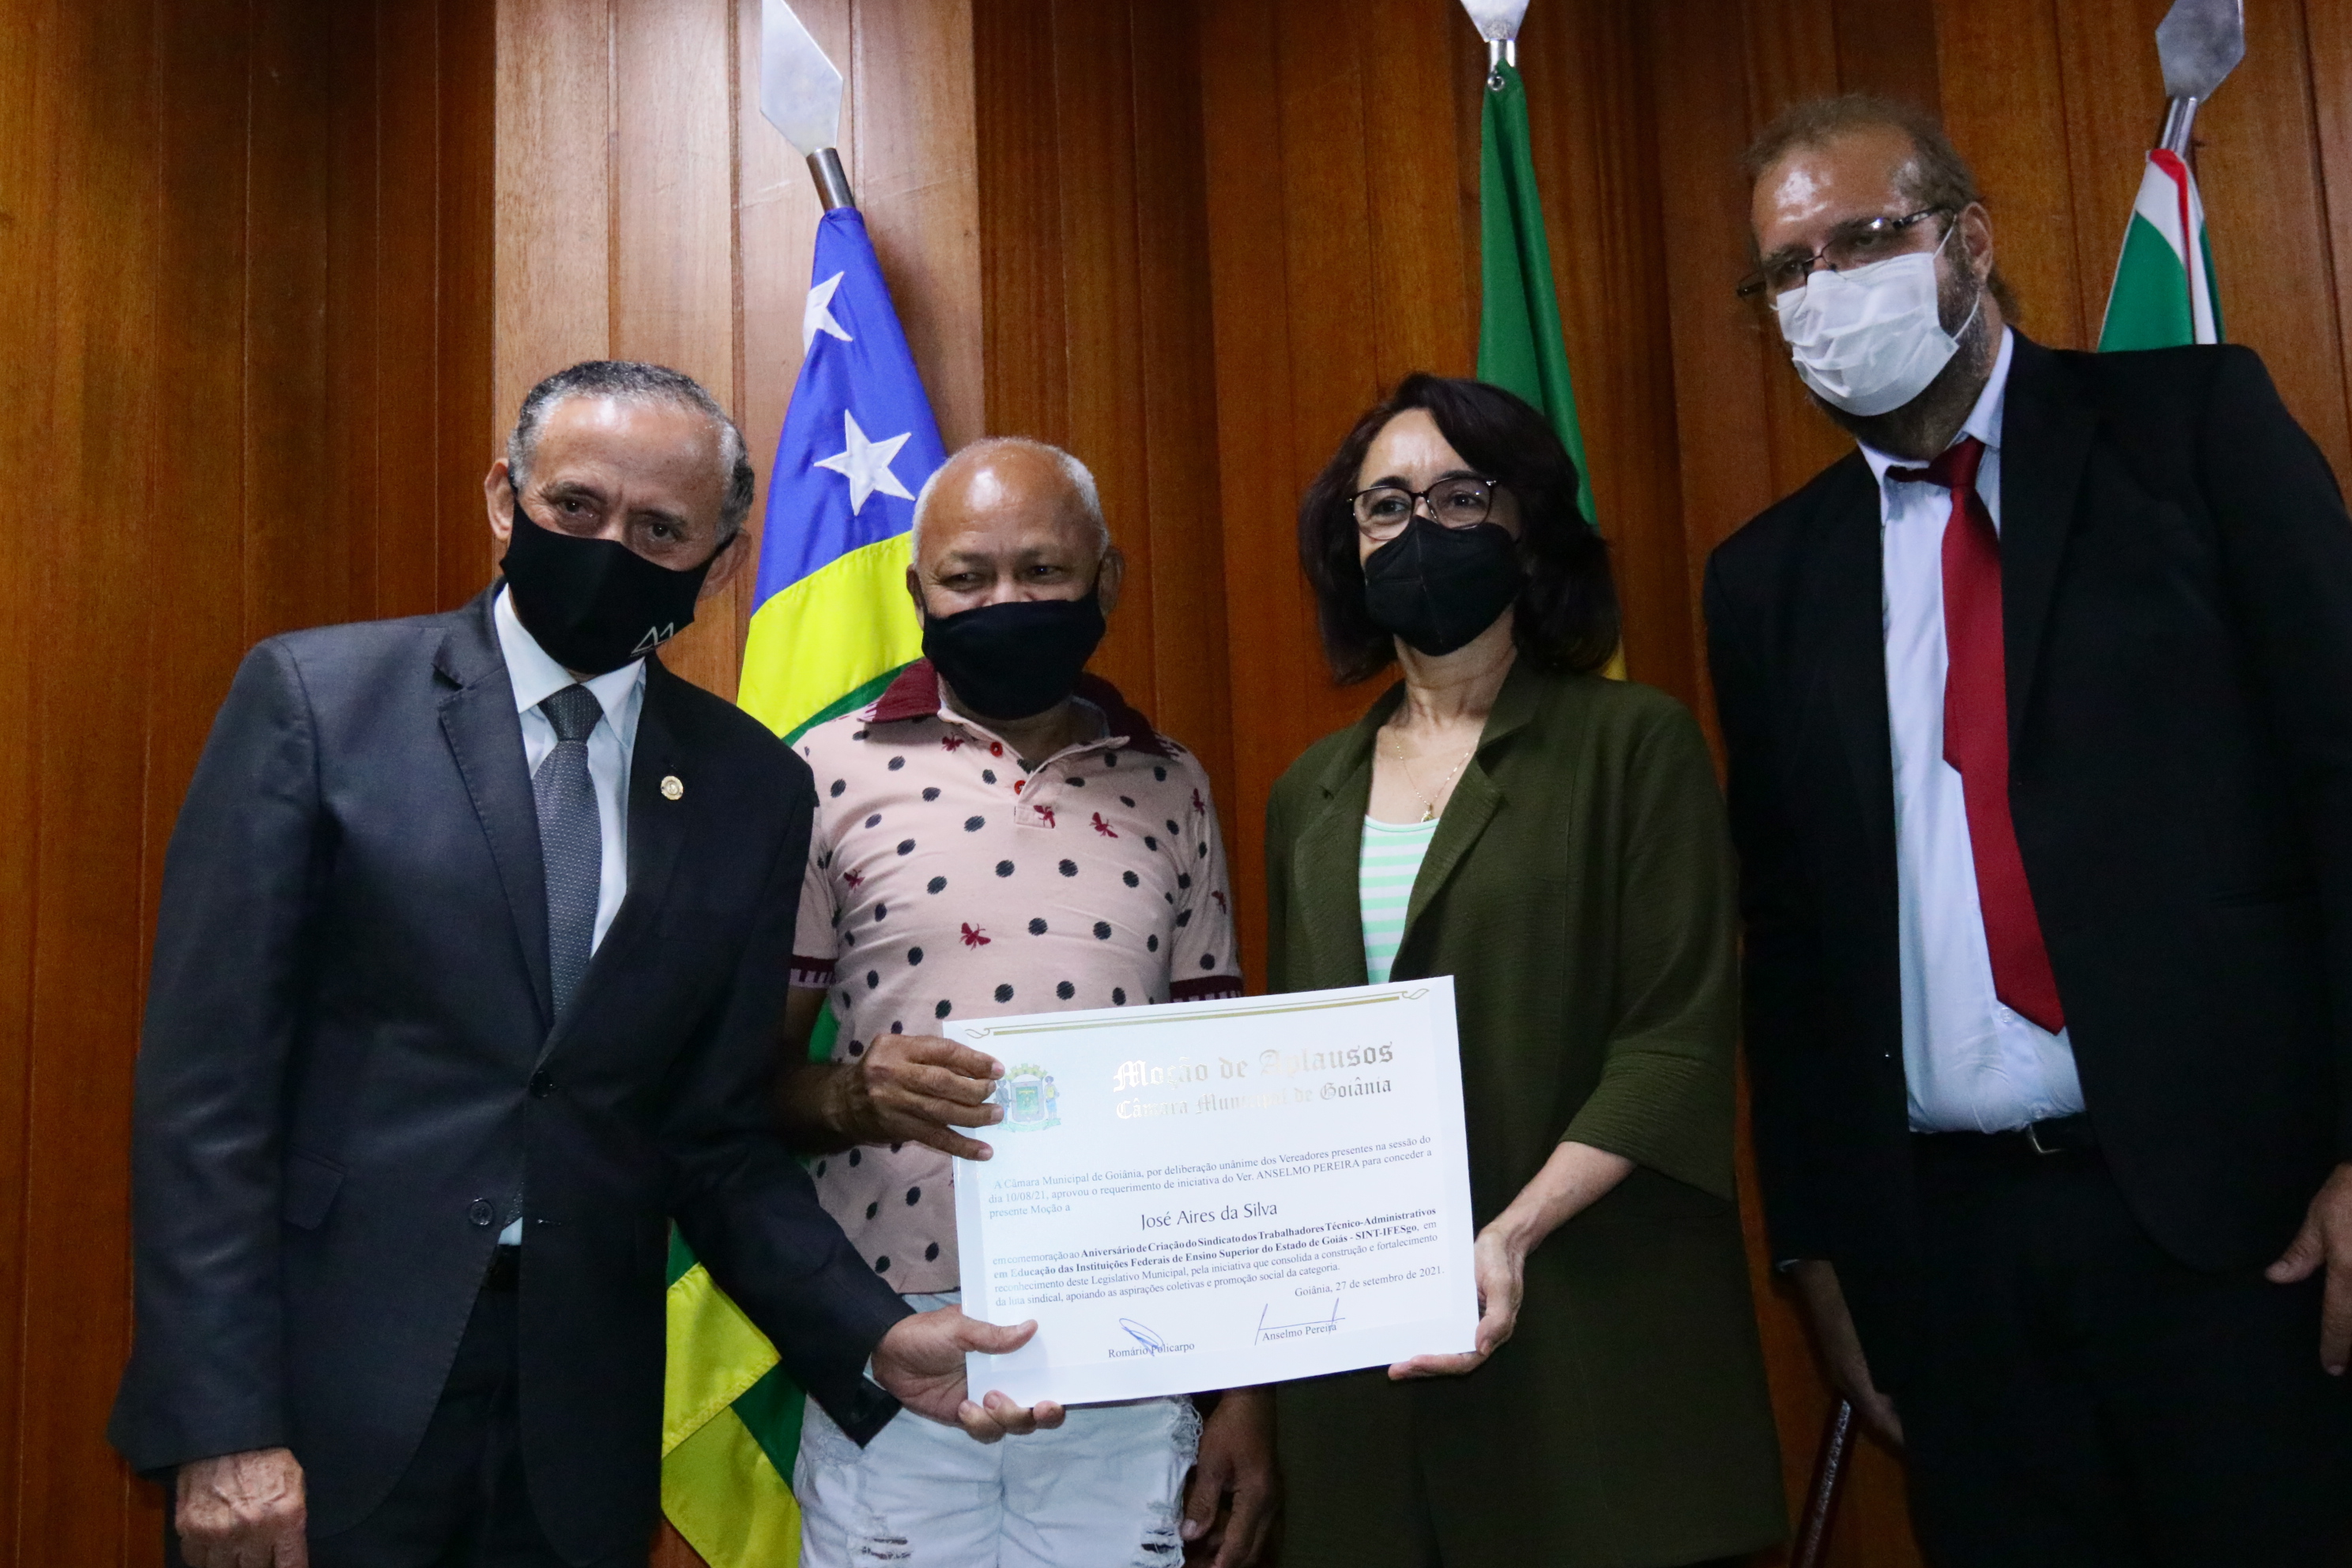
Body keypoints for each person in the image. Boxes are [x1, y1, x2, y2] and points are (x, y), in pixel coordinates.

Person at [108, 361, 1062, 1568]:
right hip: (322, 1404)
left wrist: (870, 1335)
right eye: (576, 506)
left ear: (720, 564)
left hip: (578, 1428)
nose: (612, 547)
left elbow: (711, 1135)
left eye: (661, 529)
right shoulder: (318, 703)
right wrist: (222, 1425)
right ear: (504, 499)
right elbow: (207, 1099)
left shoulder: (752, 789)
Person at [1706, 95, 2352, 1566]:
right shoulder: (1767, 582)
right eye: (1788, 269)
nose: (1824, 289)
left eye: (1861, 240)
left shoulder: (2192, 431)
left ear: (1971, 241)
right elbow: (1792, 944)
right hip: (1954, 1264)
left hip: (2240, 1226)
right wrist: (1820, 1252)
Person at [1261, 374, 1785, 1567]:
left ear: (1528, 525)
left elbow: (1675, 1044)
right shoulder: (1308, 794)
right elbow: (1295, 1075)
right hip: (1371, 1368)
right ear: (1349, 545)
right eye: (1384, 505)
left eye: (1459, 497)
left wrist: (1508, 1234)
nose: (1418, 527)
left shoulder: (1635, 745)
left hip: (1592, 1334)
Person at [775, 436, 1278, 1568]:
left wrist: (1244, 1393)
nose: (1006, 601)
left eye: (1043, 571)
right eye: (969, 577)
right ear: (918, 593)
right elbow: (743, 1091)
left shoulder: (1173, 784)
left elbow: (1223, 1114)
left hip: (1130, 1349)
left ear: (1108, 579)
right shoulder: (820, 772)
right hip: (891, 1346)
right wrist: (852, 1097)